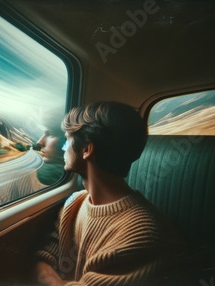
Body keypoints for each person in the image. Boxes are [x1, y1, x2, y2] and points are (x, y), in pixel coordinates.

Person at [34, 101, 183, 286]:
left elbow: (46, 267)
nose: (64, 148)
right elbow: (46, 257)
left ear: (87, 150)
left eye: (68, 140)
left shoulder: (143, 235)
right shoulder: (75, 203)